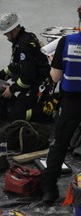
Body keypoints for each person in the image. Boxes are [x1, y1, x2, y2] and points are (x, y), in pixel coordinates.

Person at [41, 5, 81, 204]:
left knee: (60, 144)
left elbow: (55, 76)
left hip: (72, 102)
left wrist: (55, 61)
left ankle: (49, 190)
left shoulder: (67, 41)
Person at [0, 12, 56, 122]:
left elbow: (28, 78)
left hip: (38, 85)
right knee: (6, 104)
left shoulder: (24, 45)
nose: (5, 36)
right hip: (33, 82)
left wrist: (12, 89)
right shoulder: (23, 38)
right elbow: (15, 66)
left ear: (12, 30)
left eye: (6, 33)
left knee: (16, 117)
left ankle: (46, 110)